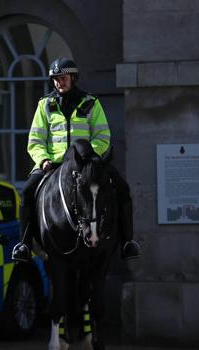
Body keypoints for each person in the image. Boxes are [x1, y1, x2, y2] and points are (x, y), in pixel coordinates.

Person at [12, 58, 141, 262]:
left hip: (87, 164)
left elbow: (102, 136)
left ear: (73, 78)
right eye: (55, 79)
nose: (58, 83)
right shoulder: (45, 105)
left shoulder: (91, 103)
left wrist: (91, 158)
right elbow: (35, 139)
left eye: (62, 78)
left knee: (122, 187)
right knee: (27, 191)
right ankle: (24, 245)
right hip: (52, 165)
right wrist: (43, 159)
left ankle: (127, 242)